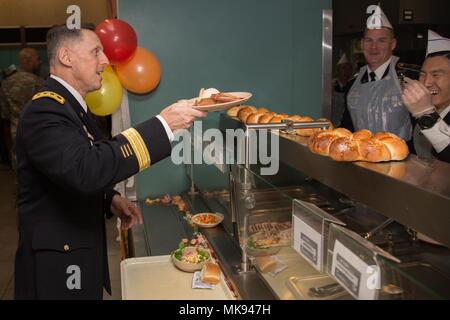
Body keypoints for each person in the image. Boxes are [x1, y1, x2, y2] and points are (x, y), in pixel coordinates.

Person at [14, 24, 206, 299]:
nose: (105, 60)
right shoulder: (46, 109)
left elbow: (68, 169)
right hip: (57, 264)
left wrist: (109, 198)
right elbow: (85, 170)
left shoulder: (69, 107)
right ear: (67, 57)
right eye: (96, 52)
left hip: (75, 251)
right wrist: (164, 126)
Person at [343, 7, 412, 141]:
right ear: (362, 44)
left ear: (392, 44)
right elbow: (348, 127)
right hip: (362, 157)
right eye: (369, 40)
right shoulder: (352, 84)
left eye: (381, 40)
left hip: (401, 158)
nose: (373, 47)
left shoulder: (407, 79)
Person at [402, 30, 450, 163]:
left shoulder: (424, 113)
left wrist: (426, 115)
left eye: (436, 75)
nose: (427, 83)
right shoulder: (417, 114)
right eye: (423, 74)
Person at [2, 48, 45, 173]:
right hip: (38, 133)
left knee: (20, 173)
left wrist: (8, 145)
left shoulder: (6, 82)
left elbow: (5, 117)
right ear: (29, 61)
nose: (40, 62)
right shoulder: (39, 83)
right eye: (38, 59)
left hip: (16, 133)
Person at [331, 53, 353, 127]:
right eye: (343, 68)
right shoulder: (331, 85)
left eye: (348, 68)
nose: (346, 71)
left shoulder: (353, 86)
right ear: (338, 70)